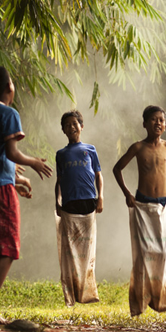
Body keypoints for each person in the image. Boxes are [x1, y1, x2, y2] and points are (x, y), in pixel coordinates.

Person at [0, 66, 52, 324]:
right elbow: (12, 153)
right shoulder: (9, 113)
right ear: (9, 87)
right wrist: (34, 162)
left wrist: (15, 177)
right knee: (8, 246)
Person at [113, 105, 166, 316]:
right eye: (153, 120)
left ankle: (160, 298)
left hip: (162, 205)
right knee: (142, 254)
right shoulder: (138, 147)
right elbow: (117, 168)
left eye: (161, 120)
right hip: (142, 204)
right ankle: (140, 301)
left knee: (162, 253)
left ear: (165, 125)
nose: (158, 123)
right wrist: (127, 193)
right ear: (144, 123)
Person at [54, 110, 103, 306]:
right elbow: (58, 181)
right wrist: (56, 202)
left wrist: (101, 198)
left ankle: (88, 291)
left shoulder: (90, 150)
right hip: (68, 205)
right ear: (63, 130)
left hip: (89, 202)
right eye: (67, 125)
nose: (72, 127)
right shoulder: (61, 154)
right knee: (69, 251)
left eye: (75, 123)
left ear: (81, 126)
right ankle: (72, 293)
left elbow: (99, 176)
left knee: (87, 250)